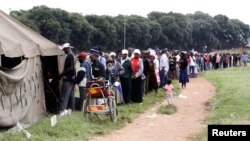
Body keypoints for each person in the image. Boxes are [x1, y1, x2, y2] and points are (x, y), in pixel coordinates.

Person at [58, 43, 76, 116]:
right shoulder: (72, 55)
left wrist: (61, 74)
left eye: (64, 49)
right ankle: (70, 109)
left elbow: (71, 68)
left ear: (67, 48)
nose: (64, 51)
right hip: (71, 79)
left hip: (68, 79)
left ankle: (62, 110)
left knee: (64, 95)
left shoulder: (70, 56)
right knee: (70, 95)